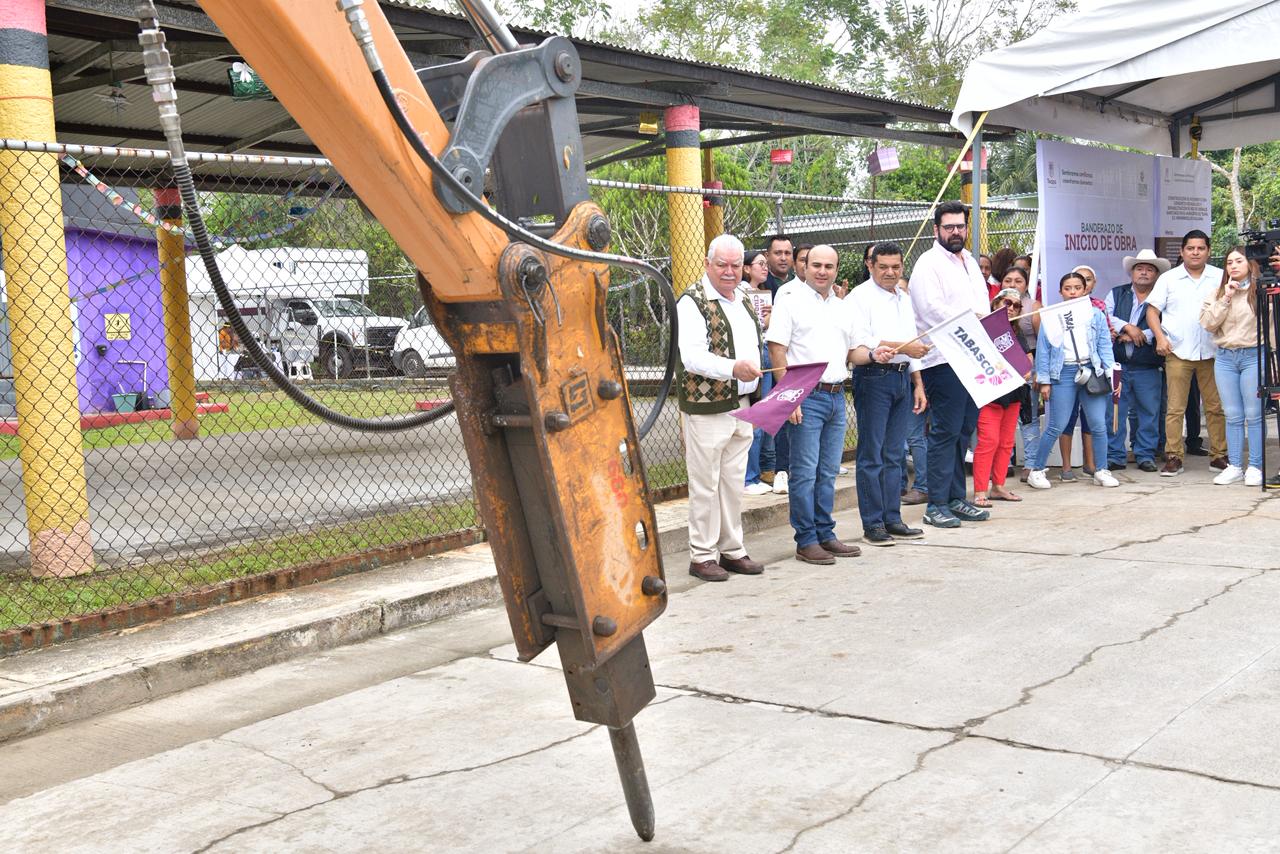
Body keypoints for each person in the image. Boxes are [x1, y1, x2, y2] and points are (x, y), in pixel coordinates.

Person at [675, 233, 766, 582]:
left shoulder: (742, 298)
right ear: (707, 264)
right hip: (708, 408)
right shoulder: (692, 302)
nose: (729, 272)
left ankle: (732, 549)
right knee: (705, 483)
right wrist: (733, 368)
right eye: (721, 265)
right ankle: (701, 555)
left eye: (734, 265)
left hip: (742, 404)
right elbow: (693, 357)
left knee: (731, 483)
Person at [766, 244, 862, 564]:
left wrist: (877, 354)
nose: (822, 271)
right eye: (816, 264)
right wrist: (786, 397)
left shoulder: (842, 306)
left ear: (837, 270)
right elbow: (777, 350)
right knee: (804, 472)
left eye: (829, 266)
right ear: (804, 266)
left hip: (837, 395)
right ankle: (805, 540)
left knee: (828, 471)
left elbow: (852, 351)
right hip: (805, 396)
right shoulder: (789, 300)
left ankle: (825, 533)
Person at [907, 201, 992, 528]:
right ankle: (936, 504)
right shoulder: (928, 264)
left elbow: (980, 304)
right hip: (942, 360)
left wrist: (986, 321)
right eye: (949, 227)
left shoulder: (969, 261)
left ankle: (956, 498)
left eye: (960, 226)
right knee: (945, 431)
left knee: (963, 431)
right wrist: (974, 320)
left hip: (973, 358)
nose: (955, 232)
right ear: (936, 230)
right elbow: (930, 311)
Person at [847, 242, 928, 545]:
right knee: (872, 454)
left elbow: (914, 341)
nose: (890, 273)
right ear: (871, 266)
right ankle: (873, 524)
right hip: (873, 378)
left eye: (896, 267)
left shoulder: (903, 298)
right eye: (883, 267)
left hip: (902, 378)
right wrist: (903, 347)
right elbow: (860, 340)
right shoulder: (859, 297)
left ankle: (892, 518)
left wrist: (917, 382)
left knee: (895, 453)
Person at [1026, 272, 1119, 489]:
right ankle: (1036, 470)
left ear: (1085, 289)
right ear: (1061, 292)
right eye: (1068, 288)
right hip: (1063, 372)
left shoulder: (1095, 314)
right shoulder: (1051, 315)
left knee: (1098, 424)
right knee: (1056, 424)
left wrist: (1111, 372)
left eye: (1077, 287)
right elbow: (1044, 350)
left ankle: (1102, 469)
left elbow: (1105, 345)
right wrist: (1045, 380)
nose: (1073, 292)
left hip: (1091, 369)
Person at [1146, 230, 1227, 475]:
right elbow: (1152, 312)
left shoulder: (1220, 276)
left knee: (1215, 407)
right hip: (1177, 351)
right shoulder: (1169, 278)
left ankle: (1219, 456)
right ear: (1182, 251)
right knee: (1175, 408)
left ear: (1208, 251)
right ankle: (1173, 457)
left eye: (1200, 248)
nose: (1195, 252)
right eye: (1190, 248)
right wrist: (1160, 338)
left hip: (1212, 351)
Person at [1200, 247, 1264, 486]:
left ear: (1250, 264)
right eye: (1229, 263)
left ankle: (1255, 465)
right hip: (1225, 357)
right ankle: (1235, 465)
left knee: (1254, 414)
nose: (1233, 266)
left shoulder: (1261, 290)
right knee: (1233, 414)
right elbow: (1207, 323)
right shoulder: (1218, 292)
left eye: (1239, 261)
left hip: (1253, 355)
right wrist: (1225, 298)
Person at [1105, 249, 1169, 473]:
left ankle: (1145, 454)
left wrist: (1140, 334)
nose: (1143, 272)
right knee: (1115, 411)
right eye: (1139, 268)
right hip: (1119, 365)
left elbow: (1165, 324)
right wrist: (1128, 327)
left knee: (1148, 412)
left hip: (1148, 365)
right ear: (1132, 272)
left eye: (1149, 269)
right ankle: (1115, 456)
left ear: (1156, 275)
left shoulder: (1161, 298)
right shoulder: (1116, 293)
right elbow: (1106, 316)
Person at [972, 289, 1026, 505]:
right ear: (995, 304)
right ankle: (979, 491)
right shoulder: (983, 330)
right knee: (989, 441)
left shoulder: (1017, 331)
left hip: (1013, 394)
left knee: (1006, 442)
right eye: (1007, 302)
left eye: (1016, 305)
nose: (1011, 308)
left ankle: (998, 486)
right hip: (990, 394)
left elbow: (1027, 361)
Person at [1001, 265, 1043, 482]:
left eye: (1018, 281)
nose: (1012, 285)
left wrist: (1037, 372)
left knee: (1029, 418)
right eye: (1008, 280)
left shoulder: (1032, 307)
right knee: (1002, 420)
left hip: (1026, 369)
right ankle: (1004, 463)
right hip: (999, 375)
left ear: (1026, 285)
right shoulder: (993, 313)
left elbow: (1040, 344)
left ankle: (1031, 463)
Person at [740, 250, 775, 495]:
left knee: (766, 413)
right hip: (754, 353)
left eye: (766, 264)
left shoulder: (762, 292)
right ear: (746, 268)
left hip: (765, 350)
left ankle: (761, 470)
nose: (765, 268)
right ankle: (749, 477)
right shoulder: (741, 293)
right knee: (756, 416)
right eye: (760, 263)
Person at [762, 235, 794, 493]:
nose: (783, 257)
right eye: (778, 253)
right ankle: (771, 467)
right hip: (767, 357)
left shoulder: (797, 287)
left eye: (787, 253)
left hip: (794, 358)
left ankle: (784, 467)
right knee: (770, 412)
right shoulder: (759, 285)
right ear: (768, 256)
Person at [898, 275, 929, 506]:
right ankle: (899, 485)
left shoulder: (916, 317)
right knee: (898, 438)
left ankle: (923, 486)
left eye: (902, 290)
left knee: (914, 435)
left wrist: (919, 384)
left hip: (918, 380)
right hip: (896, 380)